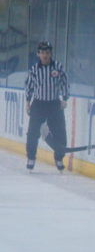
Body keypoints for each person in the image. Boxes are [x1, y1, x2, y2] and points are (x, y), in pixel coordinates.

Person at [24, 41, 69, 172]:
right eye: (43, 52)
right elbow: (29, 87)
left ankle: (59, 158)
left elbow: (65, 83)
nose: (45, 55)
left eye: (48, 52)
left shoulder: (58, 67)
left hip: (54, 104)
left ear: (51, 53)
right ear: (38, 54)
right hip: (38, 104)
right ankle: (31, 157)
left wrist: (64, 98)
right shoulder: (34, 70)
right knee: (32, 132)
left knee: (60, 132)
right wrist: (28, 102)